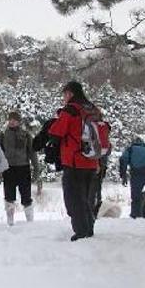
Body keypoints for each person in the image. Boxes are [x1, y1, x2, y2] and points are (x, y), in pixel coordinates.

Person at [48, 81, 101, 241]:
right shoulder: (93, 109)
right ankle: (89, 228)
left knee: (73, 198)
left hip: (74, 161)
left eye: (64, 94)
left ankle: (81, 231)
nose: (64, 98)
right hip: (92, 160)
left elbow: (56, 132)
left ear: (70, 93)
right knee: (86, 197)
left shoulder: (71, 110)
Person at [0, 111, 40, 226]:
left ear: (19, 122)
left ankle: (30, 221)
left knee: (26, 196)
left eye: (15, 120)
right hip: (8, 169)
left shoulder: (26, 135)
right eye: (10, 119)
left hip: (23, 168)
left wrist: (36, 169)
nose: (12, 122)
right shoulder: (2, 135)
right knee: (9, 197)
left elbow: (32, 153)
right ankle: (10, 221)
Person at [120, 136, 145, 219]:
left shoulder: (131, 149)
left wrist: (123, 175)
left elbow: (123, 159)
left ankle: (136, 215)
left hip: (137, 173)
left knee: (136, 197)